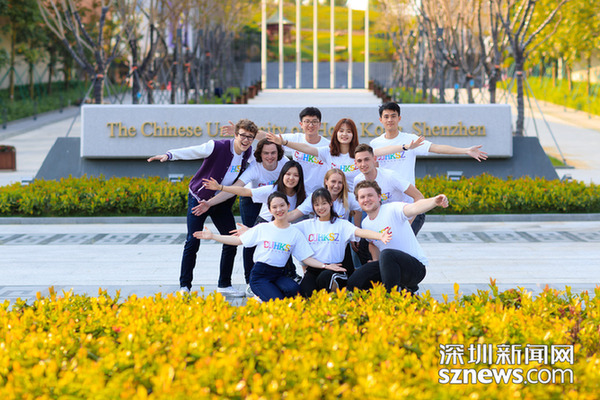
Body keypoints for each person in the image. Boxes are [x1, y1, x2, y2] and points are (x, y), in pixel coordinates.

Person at [147, 119, 258, 296]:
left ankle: (224, 285)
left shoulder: (248, 153)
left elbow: (255, 169)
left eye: (250, 137)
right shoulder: (218, 146)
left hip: (221, 202)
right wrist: (169, 155)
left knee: (231, 239)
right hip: (199, 199)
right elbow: (193, 151)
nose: (246, 140)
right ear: (235, 134)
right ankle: (184, 287)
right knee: (193, 241)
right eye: (243, 136)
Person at [194, 192, 344, 302]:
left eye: (282, 205)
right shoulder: (262, 228)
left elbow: (306, 258)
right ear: (270, 210)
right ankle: (262, 295)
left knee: (295, 292)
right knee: (279, 302)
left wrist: (326, 266)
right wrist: (213, 236)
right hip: (260, 275)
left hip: (279, 274)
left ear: (288, 206)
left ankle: (264, 295)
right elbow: (238, 241)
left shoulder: (294, 232)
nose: (279, 210)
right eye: (274, 207)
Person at [193, 139, 288, 294]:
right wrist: (210, 202)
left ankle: (285, 275)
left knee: (280, 234)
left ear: (279, 153)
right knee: (250, 237)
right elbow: (237, 188)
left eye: (273, 153)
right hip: (250, 198)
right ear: (260, 154)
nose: (270, 156)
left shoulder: (285, 164)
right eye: (266, 153)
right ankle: (250, 281)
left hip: (274, 200)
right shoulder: (254, 168)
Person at [203, 160, 310, 284]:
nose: (291, 178)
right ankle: (251, 281)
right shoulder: (273, 189)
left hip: (284, 225)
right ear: (282, 175)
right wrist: (220, 187)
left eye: (296, 175)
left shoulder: (303, 194)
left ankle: (290, 276)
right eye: (288, 174)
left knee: (282, 248)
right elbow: (246, 192)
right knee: (253, 249)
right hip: (265, 223)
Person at [267, 117, 424, 193]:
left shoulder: (359, 153)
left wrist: (405, 147)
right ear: (336, 133)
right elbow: (306, 148)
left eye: (348, 131)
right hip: (334, 200)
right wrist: (284, 142)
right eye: (341, 131)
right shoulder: (327, 152)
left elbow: (383, 150)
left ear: (353, 134)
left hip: (358, 201)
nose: (344, 134)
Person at [347, 180, 449, 294]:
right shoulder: (366, 223)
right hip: (389, 266)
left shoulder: (392, 209)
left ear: (379, 197)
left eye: (370, 195)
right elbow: (372, 243)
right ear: (358, 201)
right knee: (355, 281)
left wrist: (434, 201)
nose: (366, 199)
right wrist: (375, 260)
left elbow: (414, 208)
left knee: (387, 254)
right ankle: (401, 293)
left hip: (415, 269)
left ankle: (393, 297)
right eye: (362, 197)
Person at [294, 188, 392, 297]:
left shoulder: (341, 224)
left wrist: (380, 236)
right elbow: (285, 229)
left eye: (324, 203)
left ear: (331, 203)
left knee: (325, 278)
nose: (320, 207)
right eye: (316, 204)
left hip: (336, 268)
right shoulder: (306, 225)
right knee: (306, 292)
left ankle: (336, 303)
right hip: (314, 268)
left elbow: (360, 232)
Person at [371, 102, 488, 185]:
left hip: (407, 197)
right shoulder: (375, 144)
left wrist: (465, 150)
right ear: (381, 120)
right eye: (386, 117)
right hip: (384, 195)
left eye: (393, 116)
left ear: (399, 118)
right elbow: (374, 171)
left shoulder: (410, 139)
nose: (390, 120)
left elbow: (436, 148)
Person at [353, 143, 424, 231]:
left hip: (410, 214)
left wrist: (407, 226)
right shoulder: (358, 180)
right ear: (355, 163)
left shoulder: (390, 176)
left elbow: (419, 196)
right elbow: (357, 208)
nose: (363, 164)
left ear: (374, 159)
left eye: (366, 159)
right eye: (359, 161)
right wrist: (357, 231)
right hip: (385, 218)